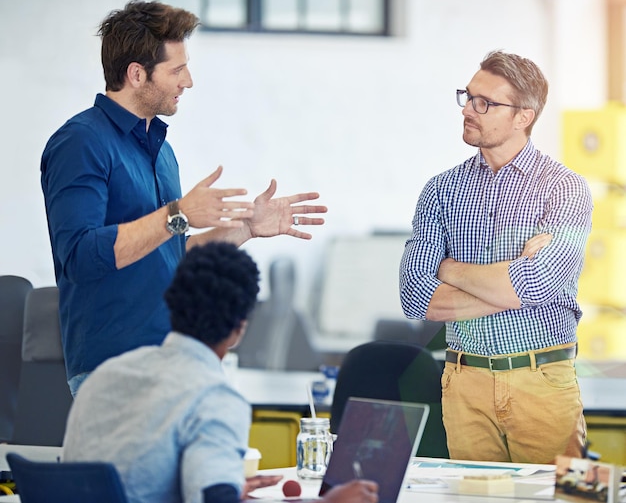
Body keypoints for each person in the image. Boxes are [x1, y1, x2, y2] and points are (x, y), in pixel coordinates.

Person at [40, 0, 327, 397]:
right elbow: (80, 256)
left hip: (170, 358)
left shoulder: (160, 151)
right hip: (114, 369)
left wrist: (246, 228)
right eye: (177, 70)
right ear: (136, 74)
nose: (188, 81)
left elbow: (171, 252)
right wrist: (177, 214)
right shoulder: (81, 143)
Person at [62, 242, 379, 503]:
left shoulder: (105, 376)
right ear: (240, 327)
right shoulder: (216, 398)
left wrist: (224, 491)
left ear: (171, 305)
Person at [399, 50, 593, 464]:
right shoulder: (441, 190)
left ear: (523, 116)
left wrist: (448, 270)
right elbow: (416, 297)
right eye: (468, 97)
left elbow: (537, 282)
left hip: (542, 381)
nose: (469, 110)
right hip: (462, 382)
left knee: (564, 499)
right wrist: (512, 284)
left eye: (485, 103)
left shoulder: (565, 190)